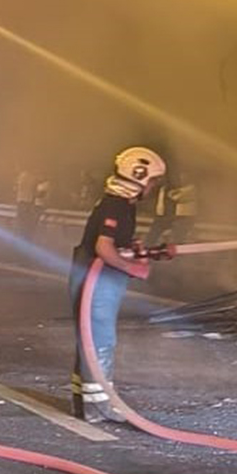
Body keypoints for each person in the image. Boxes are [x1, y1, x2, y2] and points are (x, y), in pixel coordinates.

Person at [68, 146, 165, 423]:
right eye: (153, 180)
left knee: (89, 339)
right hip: (95, 280)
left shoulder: (120, 204)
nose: (154, 187)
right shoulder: (117, 206)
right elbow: (103, 247)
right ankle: (100, 408)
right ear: (140, 177)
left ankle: (85, 405)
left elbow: (113, 242)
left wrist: (132, 247)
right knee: (99, 340)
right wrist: (131, 267)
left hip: (93, 277)